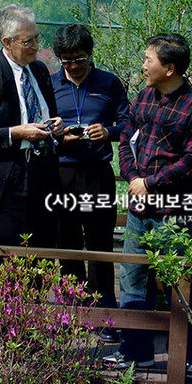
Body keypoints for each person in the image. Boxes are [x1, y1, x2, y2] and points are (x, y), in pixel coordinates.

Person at [110, 33, 192, 370]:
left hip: (175, 212)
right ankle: (135, 351)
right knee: (132, 277)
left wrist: (151, 183)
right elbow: (126, 140)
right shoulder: (143, 98)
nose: (143, 65)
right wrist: (132, 179)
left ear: (169, 68)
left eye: (148, 60)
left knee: (181, 282)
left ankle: (188, 357)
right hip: (140, 209)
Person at [0, 4, 63, 247]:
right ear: (7, 41)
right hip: (6, 181)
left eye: (37, 38)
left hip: (43, 175)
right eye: (28, 42)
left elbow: (49, 114)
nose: (36, 47)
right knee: (6, 260)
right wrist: (16, 133)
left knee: (42, 254)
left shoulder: (39, 70)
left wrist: (56, 127)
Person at [51, 24, 130, 319]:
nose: (73, 66)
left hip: (97, 174)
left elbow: (129, 124)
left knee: (100, 244)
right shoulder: (50, 84)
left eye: (80, 59)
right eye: (67, 60)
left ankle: (103, 312)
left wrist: (107, 131)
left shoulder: (109, 83)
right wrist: (58, 137)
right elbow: (38, 125)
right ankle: (73, 310)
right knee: (66, 243)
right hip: (61, 174)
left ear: (90, 54)